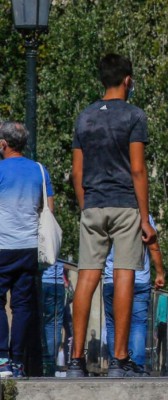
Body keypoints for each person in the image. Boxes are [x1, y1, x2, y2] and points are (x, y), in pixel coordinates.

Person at [68, 53, 156, 378]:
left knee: (87, 276)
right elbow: (137, 168)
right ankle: (119, 359)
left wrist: (85, 205)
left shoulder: (84, 117)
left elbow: (77, 173)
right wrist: (145, 218)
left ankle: (76, 360)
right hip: (124, 204)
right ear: (128, 81)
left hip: (93, 203)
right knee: (123, 274)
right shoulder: (134, 116)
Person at [0, 122, 55, 378]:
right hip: (29, 247)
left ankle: (1, 359)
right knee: (23, 305)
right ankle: (18, 361)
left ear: (3, 144)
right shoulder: (40, 170)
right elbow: (49, 210)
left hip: (2, 245)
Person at [103, 214, 165, 373]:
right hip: (139, 278)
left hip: (112, 278)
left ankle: (116, 364)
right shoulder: (144, 217)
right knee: (138, 322)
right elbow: (152, 245)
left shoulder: (107, 212)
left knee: (112, 323)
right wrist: (160, 272)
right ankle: (136, 365)